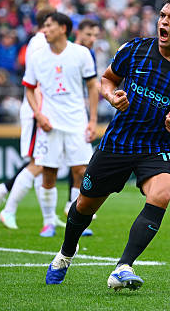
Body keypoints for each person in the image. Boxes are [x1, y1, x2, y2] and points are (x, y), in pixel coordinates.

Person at [45, 0, 170, 290]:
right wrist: (111, 96)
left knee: (162, 192)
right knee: (84, 205)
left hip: (158, 146)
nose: (164, 22)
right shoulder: (135, 50)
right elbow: (107, 79)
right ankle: (65, 253)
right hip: (118, 142)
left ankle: (123, 267)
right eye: (162, 16)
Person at [18, 11, 98, 238]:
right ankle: (48, 222)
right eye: (44, 26)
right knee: (49, 173)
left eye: (49, 26)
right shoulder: (37, 56)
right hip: (49, 124)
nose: (44, 30)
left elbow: (92, 87)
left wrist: (92, 120)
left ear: (63, 28)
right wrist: (38, 115)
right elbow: (29, 89)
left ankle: (76, 219)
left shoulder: (81, 54)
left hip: (76, 122)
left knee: (81, 171)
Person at [0, 7, 66, 234]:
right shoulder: (42, 43)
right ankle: (8, 206)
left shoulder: (40, 43)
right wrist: (40, 113)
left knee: (45, 164)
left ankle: (48, 218)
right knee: (40, 163)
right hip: (38, 109)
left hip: (43, 109)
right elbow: (38, 82)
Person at [64, 18, 101, 218]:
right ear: (78, 33)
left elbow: (92, 85)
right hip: (59, 113)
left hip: (77, 112)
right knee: (41, 166)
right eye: (89, 34)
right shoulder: (66, 50)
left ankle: (72, 205)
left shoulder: (89, 54)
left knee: (79, 165)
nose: (92, 39)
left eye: (95, 35)